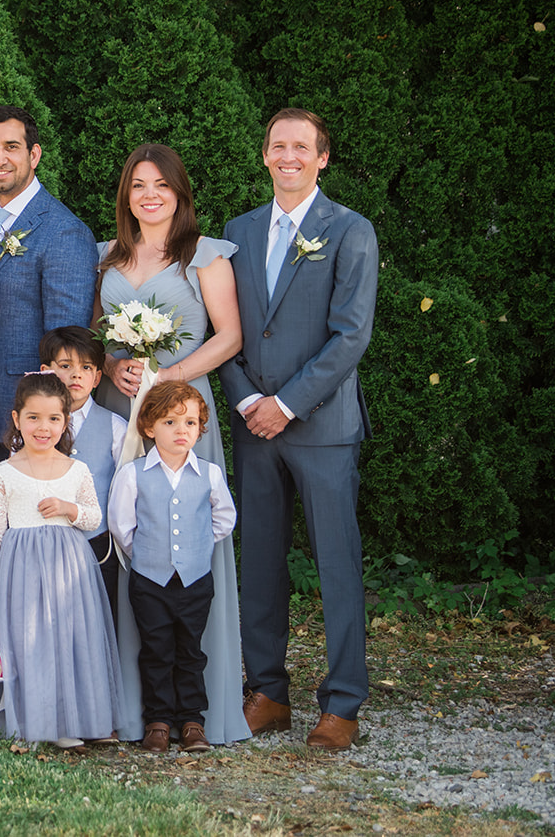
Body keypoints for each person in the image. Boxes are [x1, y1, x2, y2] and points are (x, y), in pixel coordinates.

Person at [219, 109, 378, 751]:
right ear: (264, 156)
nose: (289, 156)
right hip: (255, 425)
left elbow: (351, 336)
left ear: (322, 159)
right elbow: (223, 331)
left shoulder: (349, 230)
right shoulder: (239, 231)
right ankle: (269, 693)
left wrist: (286, 403)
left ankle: (343, 703)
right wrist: (250, 400)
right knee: (257, 562)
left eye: (301, 147)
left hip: (322, 426)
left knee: (336, 564)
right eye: (278, 146)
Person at [91, 142, 249, 746]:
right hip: (119, 414)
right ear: (126, 195)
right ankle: (132, 707)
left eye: (161, 185)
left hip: (180, 415)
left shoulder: (205, 257)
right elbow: (95, 338)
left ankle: (196, 709)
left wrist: (170, 378)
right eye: (138, 185)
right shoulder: (104, 257)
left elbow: (229, 336)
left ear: (180, 193)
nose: (149, 195)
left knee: (184, 538)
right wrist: (111, 368)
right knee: (125, 534)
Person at [0, 373, 122, 748]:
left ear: (65, 422)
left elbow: (94, 517)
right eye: (34, 417)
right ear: (17, 419)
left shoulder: (76, 469)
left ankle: (74, 721)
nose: (44, 427)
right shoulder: (4, 472)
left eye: (54, 418)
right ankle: (35, 722)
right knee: (29, 641)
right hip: (21, 566)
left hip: (68, 568)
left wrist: (68, 508)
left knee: (70, 639)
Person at [0, 106, 98, 474]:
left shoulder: (63, 232)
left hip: (19, 418)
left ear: (33, 155)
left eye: (11, 147)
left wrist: (43, 419)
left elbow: (65, 341)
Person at [108, 381, 237, 754]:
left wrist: (195, 550)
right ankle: (158, 721)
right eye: (170, 422)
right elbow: (122, 525)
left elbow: (224, 519)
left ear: (200, 428)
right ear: (149, 427)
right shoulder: (134, 474)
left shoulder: (209, 474)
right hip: (150, 582)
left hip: (195, 581)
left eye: (190, 423)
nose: (182, 431)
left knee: (191, 651)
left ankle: (193, 721)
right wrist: (149, 555)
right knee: (156, 650)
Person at [39, 326, 125, 615]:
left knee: (100, 620)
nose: (76, 375)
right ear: (46, 372)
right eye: (65, 366)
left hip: (98, 548)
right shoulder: (31, 427)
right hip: (44, 546)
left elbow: (125, 490)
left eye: (86, 367)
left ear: (98, 377)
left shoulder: (115, 426)